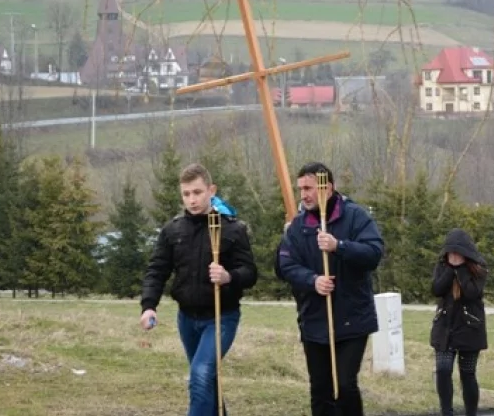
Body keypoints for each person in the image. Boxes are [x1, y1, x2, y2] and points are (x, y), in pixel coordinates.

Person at [139, 163, 258, 416]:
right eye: (186, 194)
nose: (192, 200)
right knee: (207, 379)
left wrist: (228, 276)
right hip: (187, 318)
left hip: (221, 317)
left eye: (197, 192)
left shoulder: (232, 229)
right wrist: (149, 306)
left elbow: (250, 273)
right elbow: (157, 270)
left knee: (200, 374)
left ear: (211, 190)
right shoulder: (173, 230)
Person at [277, 162, 384, 416]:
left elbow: (374, 253)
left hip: (352, 319)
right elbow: (285, 265)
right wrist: (312, 280)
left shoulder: (356, 216)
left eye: (309, 188)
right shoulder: (298, 226)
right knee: (321, 389)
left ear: (328, 188)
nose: (303, 195)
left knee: (345, 385)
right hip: (314, 319)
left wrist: (340, 246)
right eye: (301, 188)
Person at [430, 228, 488, 416]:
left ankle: (471, 412)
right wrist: (450, 270)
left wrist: (461, 270)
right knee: (443, 369)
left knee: (467, 373)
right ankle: (446, 411)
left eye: (458, 252)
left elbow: (472, 293)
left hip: (469, 326)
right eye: (450, 252)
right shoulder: (442, 265)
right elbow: (437, 289)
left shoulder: (478, 268)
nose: (453, 256)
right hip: (445, 326)